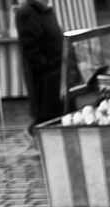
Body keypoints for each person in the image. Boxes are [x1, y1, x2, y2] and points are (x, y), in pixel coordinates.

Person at [14, 0, 66, 136]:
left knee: (58, 111)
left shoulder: (46, 10)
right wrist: (46, 65)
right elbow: (30, 48)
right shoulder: (27, 12)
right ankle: (37, 135)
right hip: (45, 75)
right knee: (47, 113)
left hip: (57, 70)